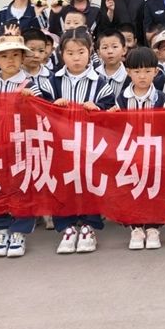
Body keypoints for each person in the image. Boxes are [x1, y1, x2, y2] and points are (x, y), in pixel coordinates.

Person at [50, 28, 115, 254]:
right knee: (63, 184)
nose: (76, 58)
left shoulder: (101, 83)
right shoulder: (53, 80)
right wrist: (52, 106)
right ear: (61, 54)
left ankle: (89, 225)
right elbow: (38, 102)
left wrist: (97, 108)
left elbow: (111, 110)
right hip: (61, 145)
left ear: (90, 53)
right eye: (70, 53)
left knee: (89, 183)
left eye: (81, 52)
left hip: (90, 146)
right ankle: (66, 227)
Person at [0, 34, 46, 258]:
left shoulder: (30, 84)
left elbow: (43, 111)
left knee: (21, 187)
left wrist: (32, 101)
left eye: (15, 55)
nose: (10, 60)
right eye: (4, 56)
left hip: (21, 146)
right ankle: (1, 229)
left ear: (23, 58)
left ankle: (19, 231)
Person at [112, 47, 165, 250]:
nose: (142, 76)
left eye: (147, 71)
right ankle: (136, 227)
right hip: (131, 154)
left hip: (155, 154)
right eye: (137, 71)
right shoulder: (122, 99)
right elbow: (114, 125)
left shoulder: (162, 98)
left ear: (156, 72)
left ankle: (153, 227)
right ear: (128, 72)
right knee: (132, 190)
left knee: (154, 189)